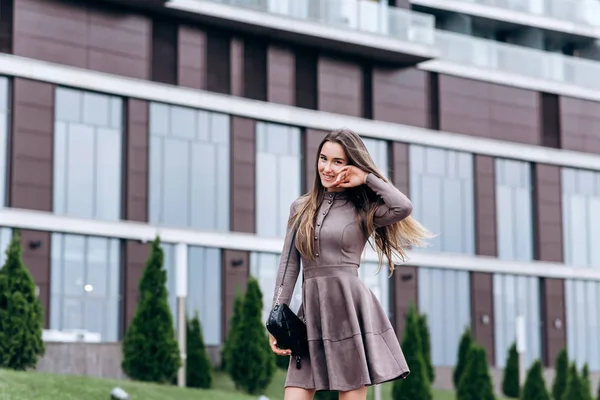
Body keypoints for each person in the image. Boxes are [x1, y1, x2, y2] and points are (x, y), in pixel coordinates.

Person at [268, 128, 434, 400]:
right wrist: (276, 317)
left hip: (350, 312)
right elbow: (288, 266)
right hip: (310, 315)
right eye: (324, 158)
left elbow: (402, 207)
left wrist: (367, 178)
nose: (328, 168)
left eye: (338, 161)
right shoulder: (300, 208)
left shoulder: (363, 209)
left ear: (351, 165)